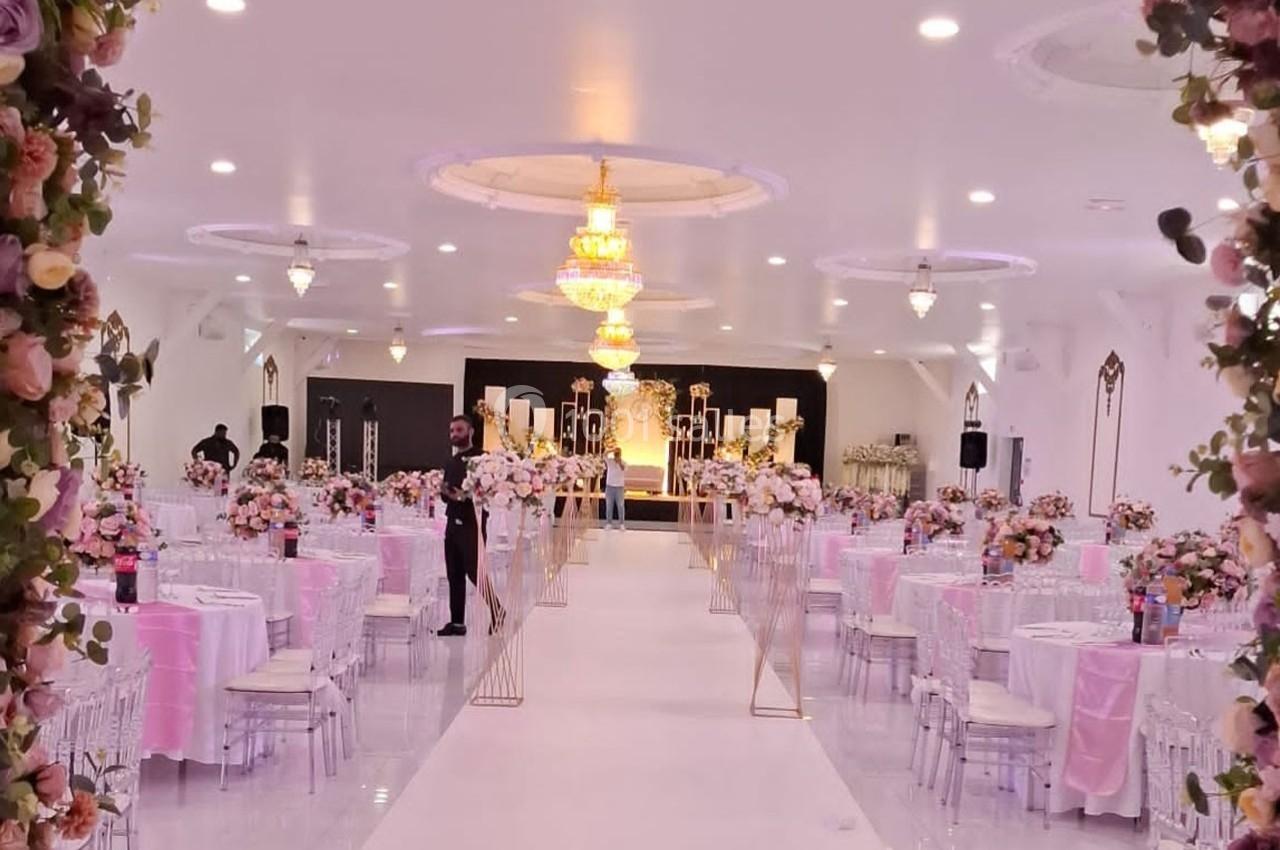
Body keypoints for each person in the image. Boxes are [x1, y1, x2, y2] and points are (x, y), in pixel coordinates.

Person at [437, 414, 504, 637]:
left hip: (472, 524)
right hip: (452, 523)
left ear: (471, 431)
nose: (454, 435)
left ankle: (497, 610)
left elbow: (487, 491)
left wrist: (463, 497)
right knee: (454, 573)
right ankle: (457, 623)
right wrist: (448, 494)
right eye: (452, 431)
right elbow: (445, 494)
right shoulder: (450, 462)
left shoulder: (482, 460)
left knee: (475, 571)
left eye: (459, 430)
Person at [604, 447, 626, 530]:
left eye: (618, 454)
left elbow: (623, 468)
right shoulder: (610, 461)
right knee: (609, 505)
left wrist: (619, 462)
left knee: (620, 506)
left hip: (619, 487)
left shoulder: (624, 462)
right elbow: (604, 454)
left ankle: (621, 524)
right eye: (616, 454)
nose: (616, 456)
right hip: (609, 486)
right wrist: (612, 449)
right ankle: (609, 523)